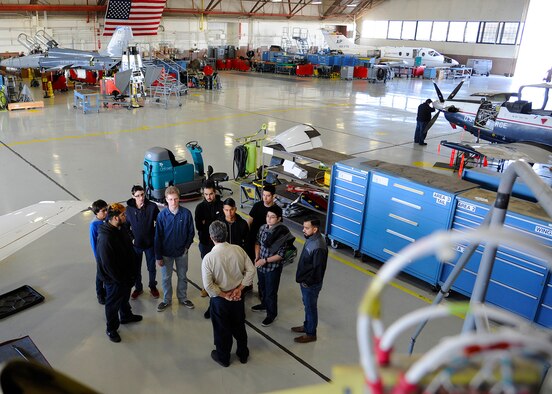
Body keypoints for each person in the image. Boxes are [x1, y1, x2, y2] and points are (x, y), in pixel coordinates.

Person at [202, 221, 255, 367]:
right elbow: (251, 270)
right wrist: (240, 288)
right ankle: (243, 354)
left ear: (211, 237)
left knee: (221, 330)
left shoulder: (209, 258)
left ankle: (223, 357)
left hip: (220, 301)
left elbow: (208, 285)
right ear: (226, 234)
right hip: (238, 297)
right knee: (239, 325)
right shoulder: (238, 249)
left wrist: (224, 295)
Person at [96, 203, 143, 343]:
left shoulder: (119, 228)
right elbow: (108, 265)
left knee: (124, 298)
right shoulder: (106, 238)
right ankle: (111, 328)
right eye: (123, 215)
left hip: (125, 275)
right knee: (112, 303)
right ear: (115, 218)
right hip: (114, 279)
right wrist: (120, 280)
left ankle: (126, 316)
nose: (126, 216)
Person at [204, 197, 250, 320]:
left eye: (231, 210)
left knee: (237, 286)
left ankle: (239, 310)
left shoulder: (242, 224)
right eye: (226, 210)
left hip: (234, 258)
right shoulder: (218, 224)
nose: (229, 213)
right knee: (217, 284)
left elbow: (247, 243)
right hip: (220, 259)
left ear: (235, 209)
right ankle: (211, 307)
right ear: (223, 210)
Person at [252, 204, 295, 327]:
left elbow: (281, 255)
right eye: (267, 216)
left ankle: (272, 314)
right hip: (261, 264)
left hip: (272, 268)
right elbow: (257, 243)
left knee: (271, 292)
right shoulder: (263, 228)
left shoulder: (282, 232)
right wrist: (257, 256)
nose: (269, 219)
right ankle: (264, 304)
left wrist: (264, 260)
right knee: (262, 287)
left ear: (279, 218)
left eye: (272, 217)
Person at [155, 186, 196, 312]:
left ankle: (182, 298)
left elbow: (191, 232)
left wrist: (187, 247)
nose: (174, 202)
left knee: (182, 276)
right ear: (166, 200)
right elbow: (158, 237)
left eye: (176, 199)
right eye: (171, 199)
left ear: (179, 199)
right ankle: (167, 300)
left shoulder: (186, 214)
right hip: (166, 254)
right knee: (166, 278)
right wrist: (158, 256)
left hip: (181, 253)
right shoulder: (162, 216)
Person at [291, 217, 328, 343]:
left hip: (310, 285)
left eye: (306, 228)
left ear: (315, 229)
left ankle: (311, 333)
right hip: (306, 281)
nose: (303, 230)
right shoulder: (311, 238)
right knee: (307, 306)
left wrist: (307, 282)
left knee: (311, 307)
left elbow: (317, 271)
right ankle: (307, 326)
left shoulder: (318, 246)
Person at [126, 185, 160, 300]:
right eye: (138, 196)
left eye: (142, 195)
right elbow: (126, 227)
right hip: (136, 246)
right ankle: (138, 288)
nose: (141, 198)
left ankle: (152, 286)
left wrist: (154, 236)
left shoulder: (152, 207)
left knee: (151, 268)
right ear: (133, 196)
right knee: (136, 268)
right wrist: (132, 238)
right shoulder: (129, 209)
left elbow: (159, 223)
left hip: (150, 245)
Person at [194, 180, 224, 298]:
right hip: (205, 242)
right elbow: (199, 226)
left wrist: (206, 222)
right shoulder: (200, 207)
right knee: (207, 267)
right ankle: (207, 287)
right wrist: (213, 221)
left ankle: (219, 287)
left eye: (210, 194)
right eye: (206, 194)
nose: (208, 197)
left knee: (219, 266)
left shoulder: (221, 205)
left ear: (215, 192)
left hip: (219, 244)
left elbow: (222, 224)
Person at [246, 184, 276, 262]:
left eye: (268, 196)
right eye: (263, 195)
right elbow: (249, 221)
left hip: (265, 240)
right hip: (253, 236)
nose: (265, 198)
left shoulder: (276, 210)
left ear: (273, 196)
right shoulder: (257, 206)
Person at [89, 199, 108, 305]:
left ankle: (107, 291)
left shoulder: (105, 220)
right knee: (100, 275)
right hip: (100, 255)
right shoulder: (94, 225)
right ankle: (100, 294)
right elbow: (93, 242)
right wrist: (98, 257)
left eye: (106, 210)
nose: (106, 212)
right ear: (97, 212)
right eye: (103, 211)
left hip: (107, 253)